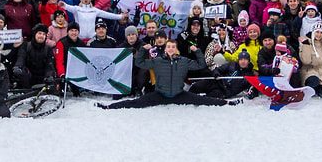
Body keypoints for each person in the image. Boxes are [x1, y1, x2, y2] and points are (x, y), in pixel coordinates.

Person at [102, 40, 239, 108]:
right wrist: (143, 51)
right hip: (160, 94)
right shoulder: (158, 61)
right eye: (169, 47)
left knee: (204, 101)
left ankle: (227, 102)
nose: (171, 49)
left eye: (173, 47)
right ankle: (109, 106)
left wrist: (197, 52)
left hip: (179, 94)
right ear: (165, 49)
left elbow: (200, 65)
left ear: (176, 49)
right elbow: (140, 64)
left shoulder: (184, 61)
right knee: (136, 103)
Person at [14, 24, 58, 89]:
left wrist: (49, 76)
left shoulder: (48, 49)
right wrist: (18, 67)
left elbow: (50, 64)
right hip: (28, 77)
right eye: (39, 33)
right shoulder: (26, 46)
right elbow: (21, 58)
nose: (41, 36)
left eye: (43, 34)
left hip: (42, 77)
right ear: (35, 34)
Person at [298, 23, 322, 98]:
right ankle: (309, 89)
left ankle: (318, 89)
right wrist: (306, 46)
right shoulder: (307, 44)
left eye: (321, 33)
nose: (319, 35)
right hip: (310, 72)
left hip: (321, 74)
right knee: (314, 81)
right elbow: (306, 61)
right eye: (317, 32)